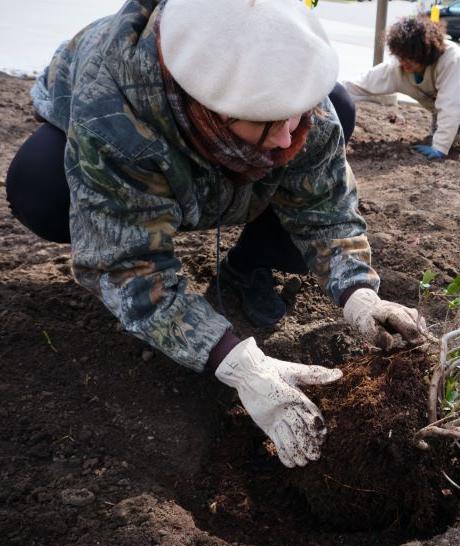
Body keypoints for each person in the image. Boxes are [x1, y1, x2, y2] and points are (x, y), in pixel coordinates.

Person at [4, 0, 428, 469]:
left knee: (336, 114)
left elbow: (324, 204)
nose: (289, 137)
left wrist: (359, 293)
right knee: (40, 186)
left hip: (213, 157)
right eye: (267, 120)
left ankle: (248, 267)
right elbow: (126, 263)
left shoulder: (292, 92)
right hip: (114, 144)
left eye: (296, 114)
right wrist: (234, 361)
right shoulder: (113, 114)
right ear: (207, 106)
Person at [344, 16, 460, 161]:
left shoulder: (450, 59)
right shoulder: (397, 68)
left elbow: (450, 104)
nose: (404, 64)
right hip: (444, 104)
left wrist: (440, 148)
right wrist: (330, 93)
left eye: (410, 59)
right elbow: (360, 84)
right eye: (401, 57)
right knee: (444, 130)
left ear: (424, 53)